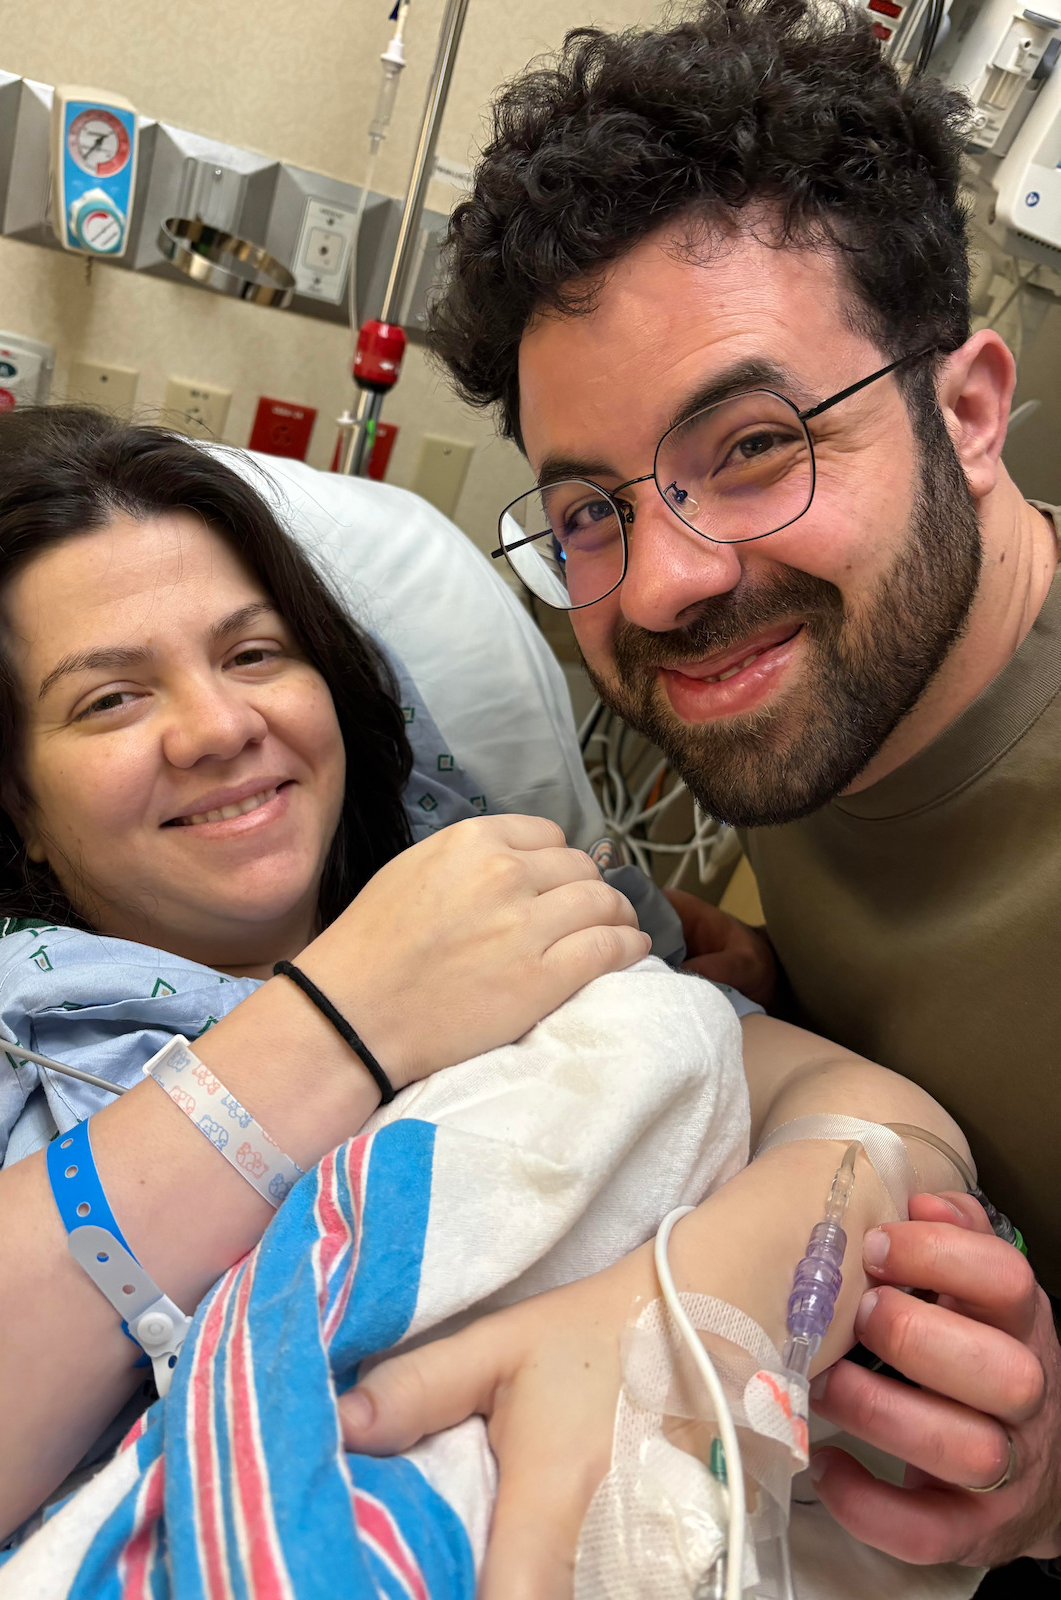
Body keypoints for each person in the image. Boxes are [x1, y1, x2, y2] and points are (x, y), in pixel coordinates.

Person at [0, 406, 971, 1599]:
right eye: (110, 700)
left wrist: (681, 1304)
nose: (223, 726)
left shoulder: (497, 904)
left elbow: (878, 1118)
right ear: (16, 798)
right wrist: (342, 1020)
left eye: (253, 654)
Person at [338, 0, 1061, 1588]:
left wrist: (1056, 1485)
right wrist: (762, 968)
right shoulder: (820, 683)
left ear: (969, 408)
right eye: (589, 507)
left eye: (752, 444)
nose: (661, 581)